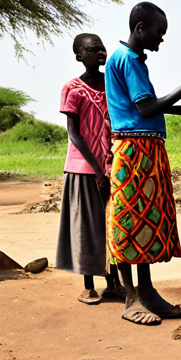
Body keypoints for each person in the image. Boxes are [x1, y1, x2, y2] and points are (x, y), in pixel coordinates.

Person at [105, 2, 181, 325]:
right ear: (139, 29)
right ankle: (131, 298)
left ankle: (147, 291)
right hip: (134, 150)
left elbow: (145, 107)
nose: (161, 39)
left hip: (146, 147)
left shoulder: (132, 60)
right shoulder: (127, 60)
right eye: (158, 32)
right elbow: (147, 109)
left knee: (145, 221)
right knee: (127, 219)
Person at [56, 33, 124, 304]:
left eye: (102, 49)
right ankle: (88, 286)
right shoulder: (72, 88)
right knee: (87, 225)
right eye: (93, 50)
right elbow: (74, 133)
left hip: (112, 164)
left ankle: (114, 283)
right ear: (79, 56)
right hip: (83, 168)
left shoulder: (112, 85)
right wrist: (97, 170)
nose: (100, 54)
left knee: (111, 224)